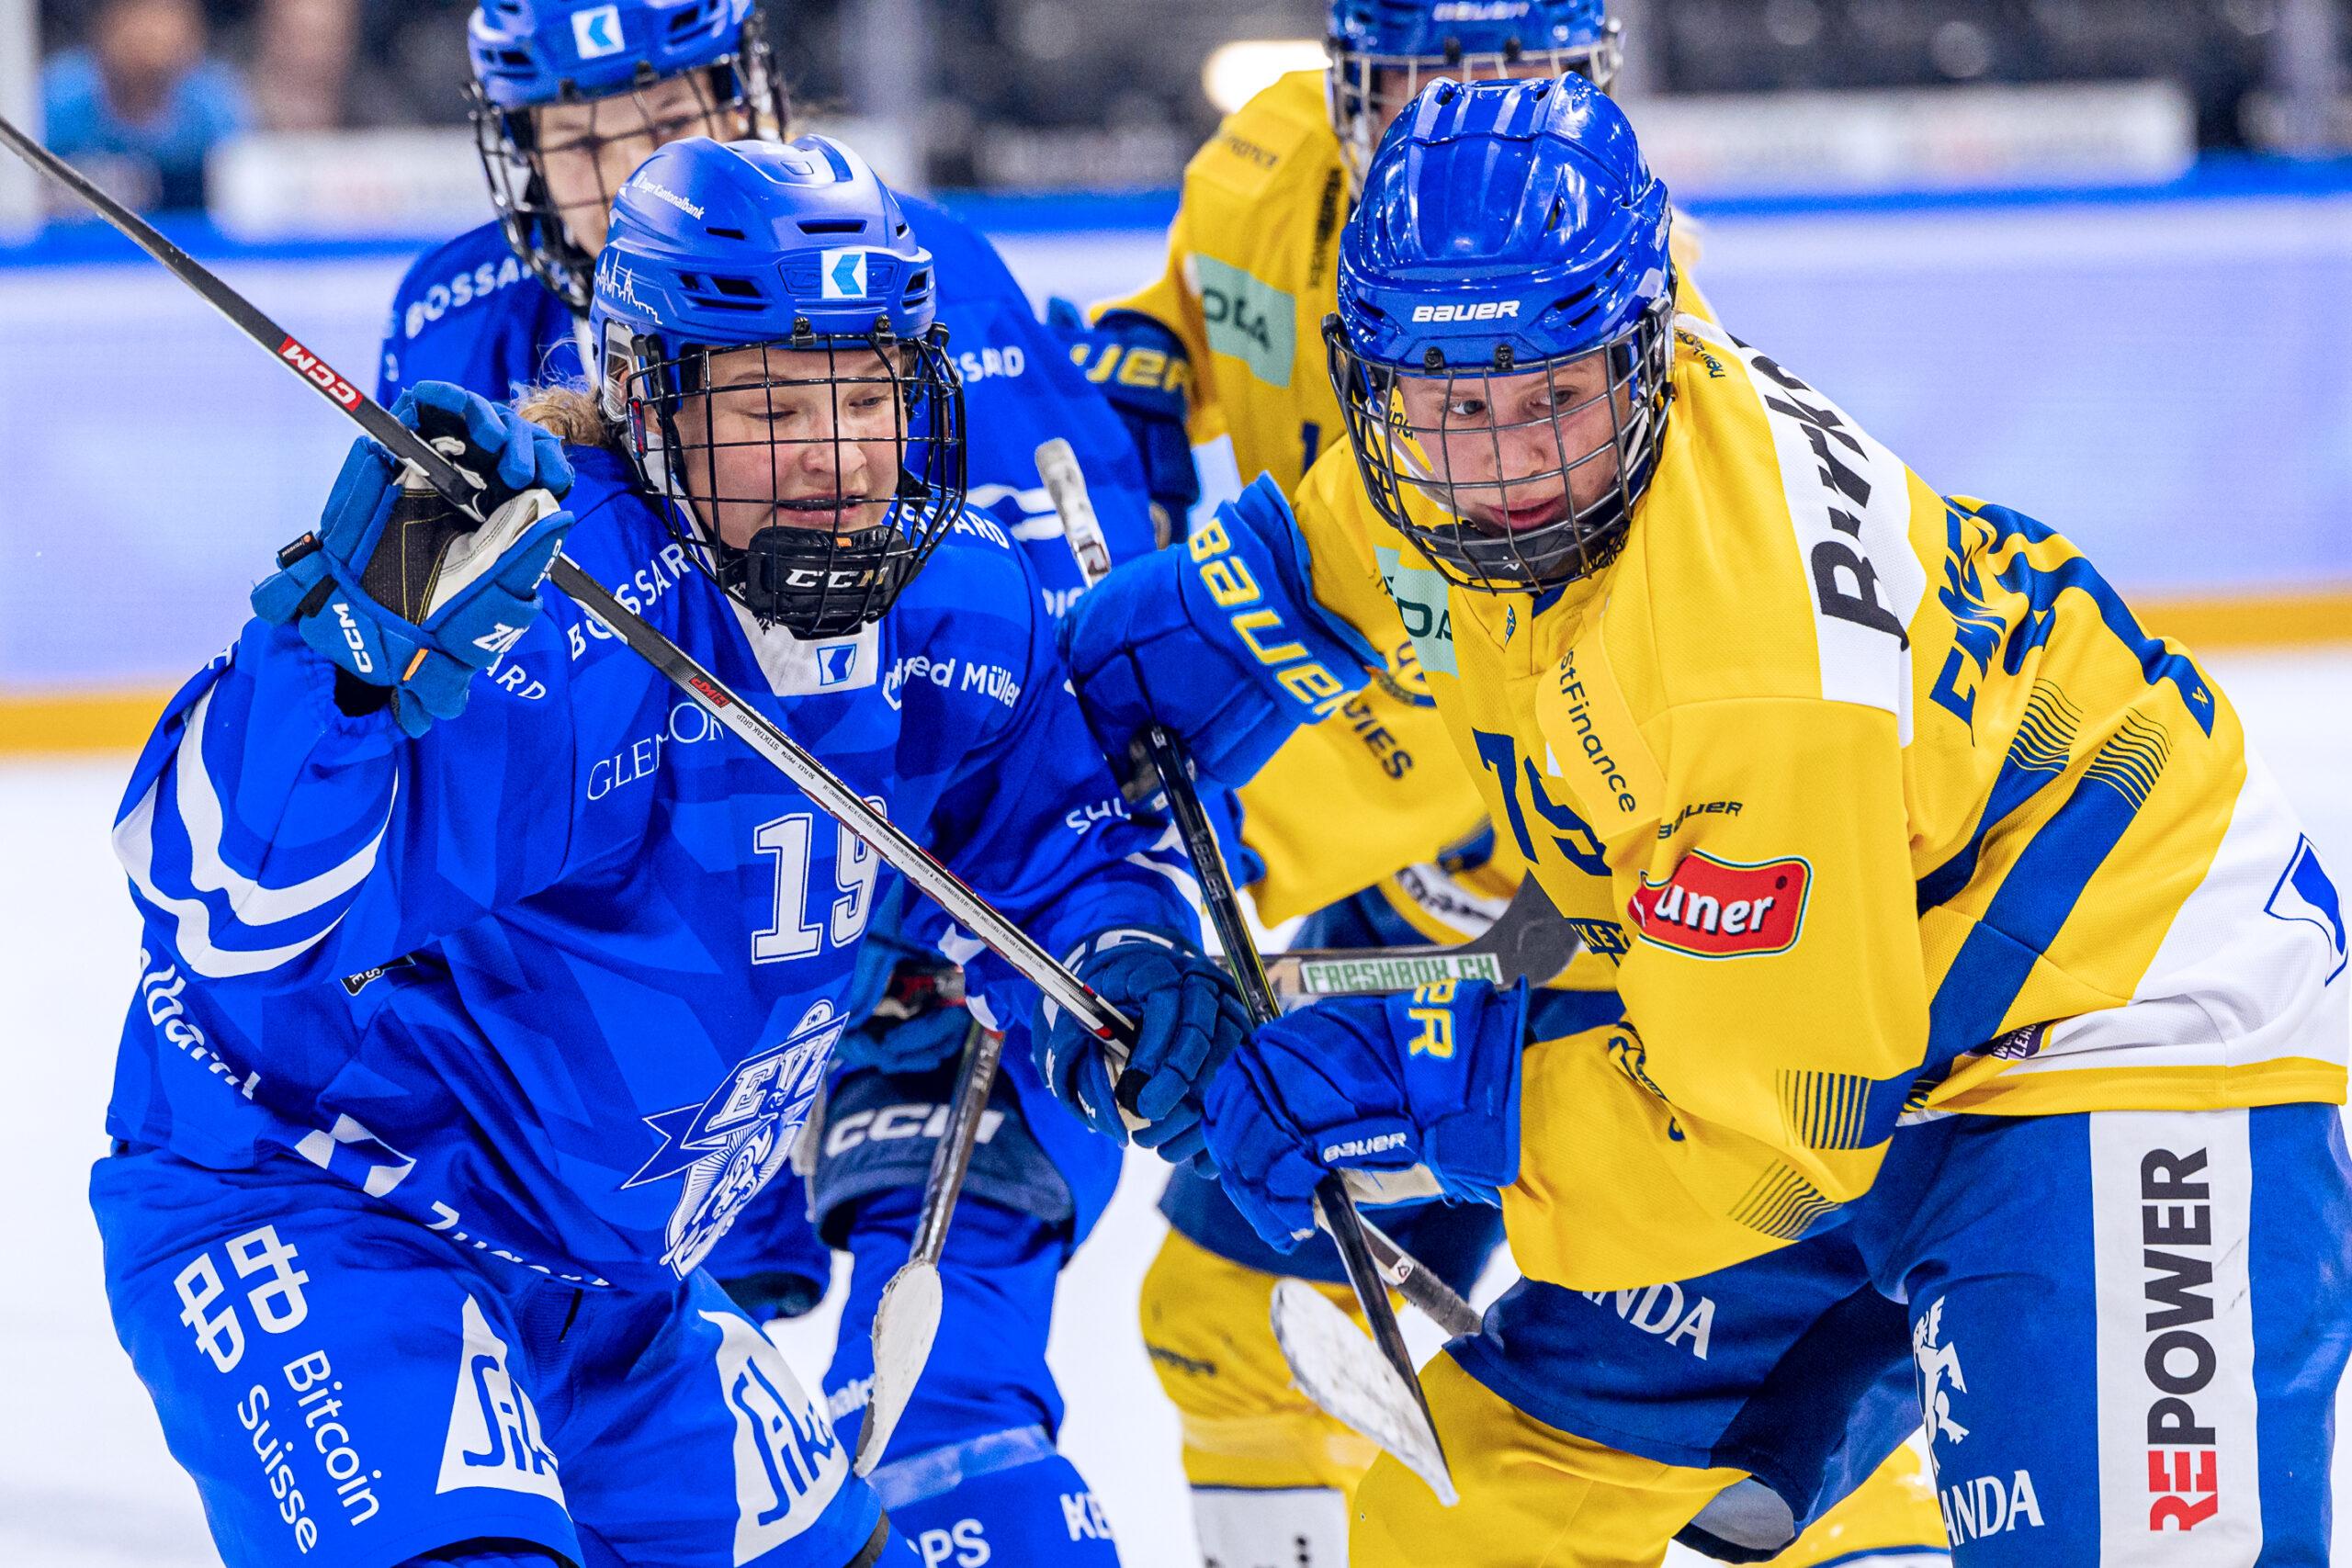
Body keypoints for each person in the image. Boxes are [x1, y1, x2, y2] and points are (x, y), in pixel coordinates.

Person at [1058, 72, 2352, 1565]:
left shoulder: (1742, 657)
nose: (1506, 465)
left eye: (1551, 398)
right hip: (1840, 1016)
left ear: (1646, 347)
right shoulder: (1461, 461)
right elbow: (1165, 658)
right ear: (1378, 385)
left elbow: (1771, 1143)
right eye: (1454, 404)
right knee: (1475, 1513)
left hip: (2107, 1022)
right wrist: (1087, 902)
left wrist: (1428, 1090)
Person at [90, 131, 1243, 1568]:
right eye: (771, 403)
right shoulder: (549, 629)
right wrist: (338, 664)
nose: (832, 457)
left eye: (866, 392)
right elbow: (221, 905)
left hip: (613, 1288)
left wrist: (1126, 952)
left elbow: (1046, 844)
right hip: (328, 1207)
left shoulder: (960, 606)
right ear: (649, 401)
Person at [1058, 3, 1946, 1562]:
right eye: (1417, 73)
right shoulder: (1259, 166)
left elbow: (1761, 1084)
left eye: (1517, 78)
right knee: (1227, 1312)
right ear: (1344, 78)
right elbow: (1189, 333)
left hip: (1584, 862)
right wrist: (1129, 381)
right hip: (1378, 806)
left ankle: (1836, 1493)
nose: (1460, 121)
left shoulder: (1616, 338)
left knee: (1708, 1363)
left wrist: (1403, 1031)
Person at [382, 6, 1173, 1556]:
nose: (629, 163)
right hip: (636, 996)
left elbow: (1038, 683)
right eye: (580, 133)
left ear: (748, 93)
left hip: (907, 933)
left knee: (938, 1414)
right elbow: (430, 711)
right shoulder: (456, 317)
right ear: (517, 152)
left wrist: (973, 913)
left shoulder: (903, 276)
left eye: (667, 112)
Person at [40, 0, 250, 212]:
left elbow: (241, 198)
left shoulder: (216, 105)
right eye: (135, 12)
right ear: (102, 25)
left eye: (166, 13)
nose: (151, 31)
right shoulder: (55, 101)